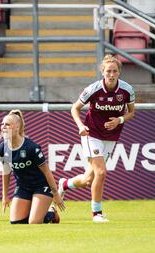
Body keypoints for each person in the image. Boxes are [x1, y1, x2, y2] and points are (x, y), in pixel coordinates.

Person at [57, 54, 135, 223]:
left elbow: (131, 112)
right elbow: (75, 108)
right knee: (101, 172)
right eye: (108, 71)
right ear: (103, 72)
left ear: (119, 72)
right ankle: (96, 214)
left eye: (114, 71)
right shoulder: (93, 89)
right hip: (91, 134)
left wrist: (119, 120)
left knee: (89, 179)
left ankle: (64, 184)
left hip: (111, 136)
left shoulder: (127, 90)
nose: (111, 74)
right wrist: (80, 126)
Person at [0, 110, 65, 224]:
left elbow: (47, 172)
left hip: (41, 186)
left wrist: (56, 194)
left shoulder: (31, 147)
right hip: (23, 187)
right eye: (2, 124)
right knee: (16, 223)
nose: (3, 127)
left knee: (34, 222)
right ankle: (38, 210)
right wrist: (5, 196)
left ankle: (51, 213)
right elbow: (6, 172)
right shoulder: (3, 147)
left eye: (7, 124)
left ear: (17, 128)